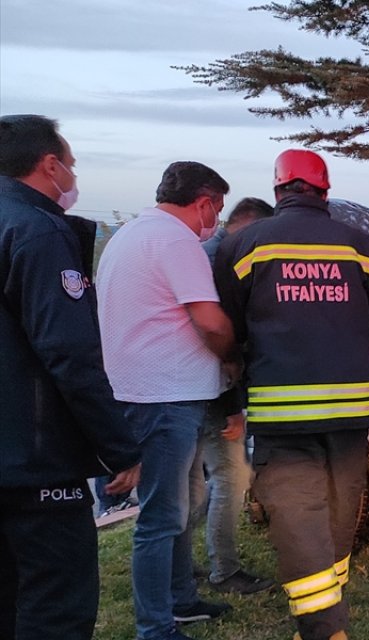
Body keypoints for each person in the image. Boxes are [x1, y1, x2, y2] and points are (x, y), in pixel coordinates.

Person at [214, 149, 369, 640]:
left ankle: (324, 628)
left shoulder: (245, 246)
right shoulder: (358, 243)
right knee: (338, 512)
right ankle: (328, 620)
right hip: (350, 415)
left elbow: (227, 331)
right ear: (324, 191)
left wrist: (236, 377)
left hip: (282, 417)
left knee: (299, 519)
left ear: (278, 190)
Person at [0, 114, 142, 640]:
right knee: (54, 606)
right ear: (50, 164)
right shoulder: (36, 231)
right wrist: (119, 447)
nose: (73, 178)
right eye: (72, 165)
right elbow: (68, 353)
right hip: (34, 465)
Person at [97, 161, 238, 640]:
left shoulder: (131, 233)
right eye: (215, 209)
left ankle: (180, 599)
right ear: (203, 203)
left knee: (175, 509)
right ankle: (155, 627)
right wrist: (233, 360)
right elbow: (211, 322)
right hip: (165, 394)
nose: (213, 220)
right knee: (160, 518)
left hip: (149, 388)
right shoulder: (177, 241)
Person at [192, 196, 276, 596]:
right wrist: (232, 405)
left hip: (193, 388)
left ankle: (178, 564)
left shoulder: (207, 254)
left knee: (192, 484)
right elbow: (219, 339)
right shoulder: (218, 263)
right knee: (230, 476)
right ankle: (224, 570)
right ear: (251, 227)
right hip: (211, 391)